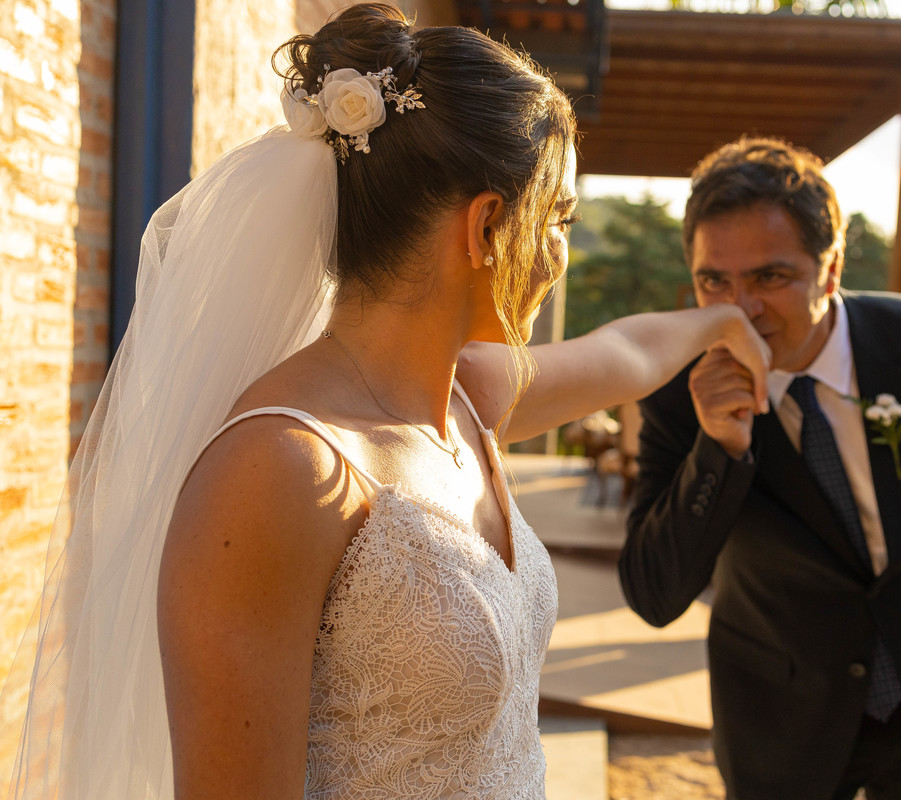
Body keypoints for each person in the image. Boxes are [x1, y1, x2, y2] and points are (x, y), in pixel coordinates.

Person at [3, 6, 771, 799]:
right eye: (560, 218)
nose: (560, 252)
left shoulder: (466, 397)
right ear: (488, 226)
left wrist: (722, 323)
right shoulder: (278, 471)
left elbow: (625, 355)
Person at [619, 137, 901, 800]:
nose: (740, 309)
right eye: (714, 281)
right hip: (780, 732)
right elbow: (654, 594)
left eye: (770, 278)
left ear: (832, 267)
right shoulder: (677, 393)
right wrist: (718, 449)